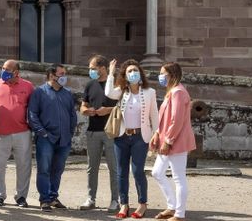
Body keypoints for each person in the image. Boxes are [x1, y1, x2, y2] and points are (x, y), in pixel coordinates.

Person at [105, 59, 159, 220]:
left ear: (140, 73)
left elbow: (154, 115)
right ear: (125, 75)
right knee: (121, 172)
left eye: (135, 70)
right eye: (129, 71)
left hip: (140, 137)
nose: (132, 73)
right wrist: (110, 72)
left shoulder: (150, 92)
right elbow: (108, 93)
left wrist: (156, 134)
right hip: (121, 136)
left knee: (137, 171)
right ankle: (124, 204)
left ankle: (142, 204)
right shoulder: (121, 91)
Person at [27, 63, 77, 212]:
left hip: (64, 139)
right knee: (44, 169)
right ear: (51, 75)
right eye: (61, 74)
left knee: (58, 170)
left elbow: (72, 115)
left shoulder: (67, 93)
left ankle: (53, 197)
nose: (64, 77)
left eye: (64, 74)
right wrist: (42, 132)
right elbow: (32, 115)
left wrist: (70, 133)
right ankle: (44, 199)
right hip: (46, 139)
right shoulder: (39, 92)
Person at [151, 63, 195, 221]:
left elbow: (176, 120)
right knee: (157, 172)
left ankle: (179, 214)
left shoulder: (178, 92)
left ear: (172, 75)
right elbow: (166, 119)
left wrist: (168, 140)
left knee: (178, 177)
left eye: (163, 73)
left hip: (175, 141)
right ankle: (172, 206)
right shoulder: (172, 92)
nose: (160, 76)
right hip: (168, 139)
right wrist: (157, 133)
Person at [0, 59, 34, 208]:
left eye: (7, 69)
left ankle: (21, 197)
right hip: (0, 133)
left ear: (16, 72)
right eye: (2, 68)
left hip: (22, 133)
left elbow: (34, 108)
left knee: (23, 165)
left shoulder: (28, 86)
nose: (3, 71)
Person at [80, 55, 120, 212]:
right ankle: (91, 199)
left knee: (113, 167)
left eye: (93, 68)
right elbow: (83, 105)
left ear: (103, 68)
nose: (90, 71)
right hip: (93, 131)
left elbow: (123, 107)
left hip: (111, 132)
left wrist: (107, 110)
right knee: (92, 167)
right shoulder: (90, 84)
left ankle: (115, 200)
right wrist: (85, 111)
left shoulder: (116, 84)